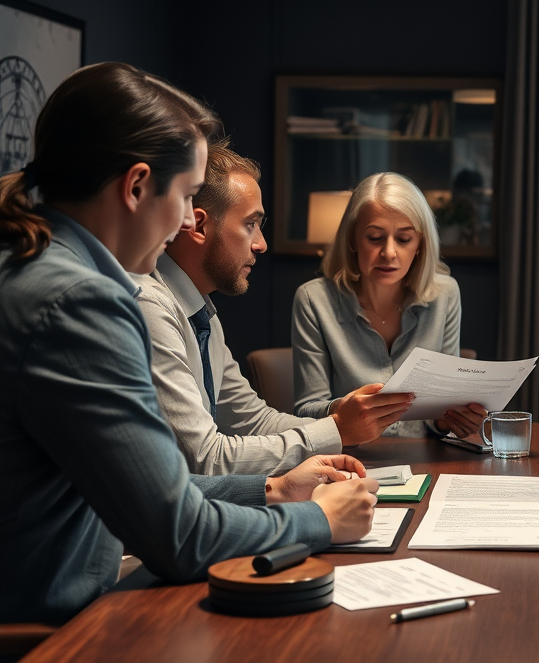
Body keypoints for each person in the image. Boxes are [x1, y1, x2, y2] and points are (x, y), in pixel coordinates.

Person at [0, 63, 378, 625]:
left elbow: (143, 485)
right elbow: (179, 536)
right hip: (55, 630)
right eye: (185, 195)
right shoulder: (82, 301)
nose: (183, 221)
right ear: (135, 187)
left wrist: (270, 489)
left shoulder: (34, 267)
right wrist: (321, 521)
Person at [134, 140, 383, 475]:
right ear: (200, 225)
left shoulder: (201, 313)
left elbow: (252, 420)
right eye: (250, 224)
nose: (261, 244)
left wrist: (345, 425)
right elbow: (205, 458)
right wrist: (337, 430)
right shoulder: (149, 306)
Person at [292, 172, 486, 443]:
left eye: (404, 239)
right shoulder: (314, 300)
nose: (389, 253)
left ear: (420, 244)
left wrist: (448, 420)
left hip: (427, 460)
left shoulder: (446, 294)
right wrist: (342, 411)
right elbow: (306, 411)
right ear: (352, 240)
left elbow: (442, 408)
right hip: (352, 461)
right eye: (374, 237)